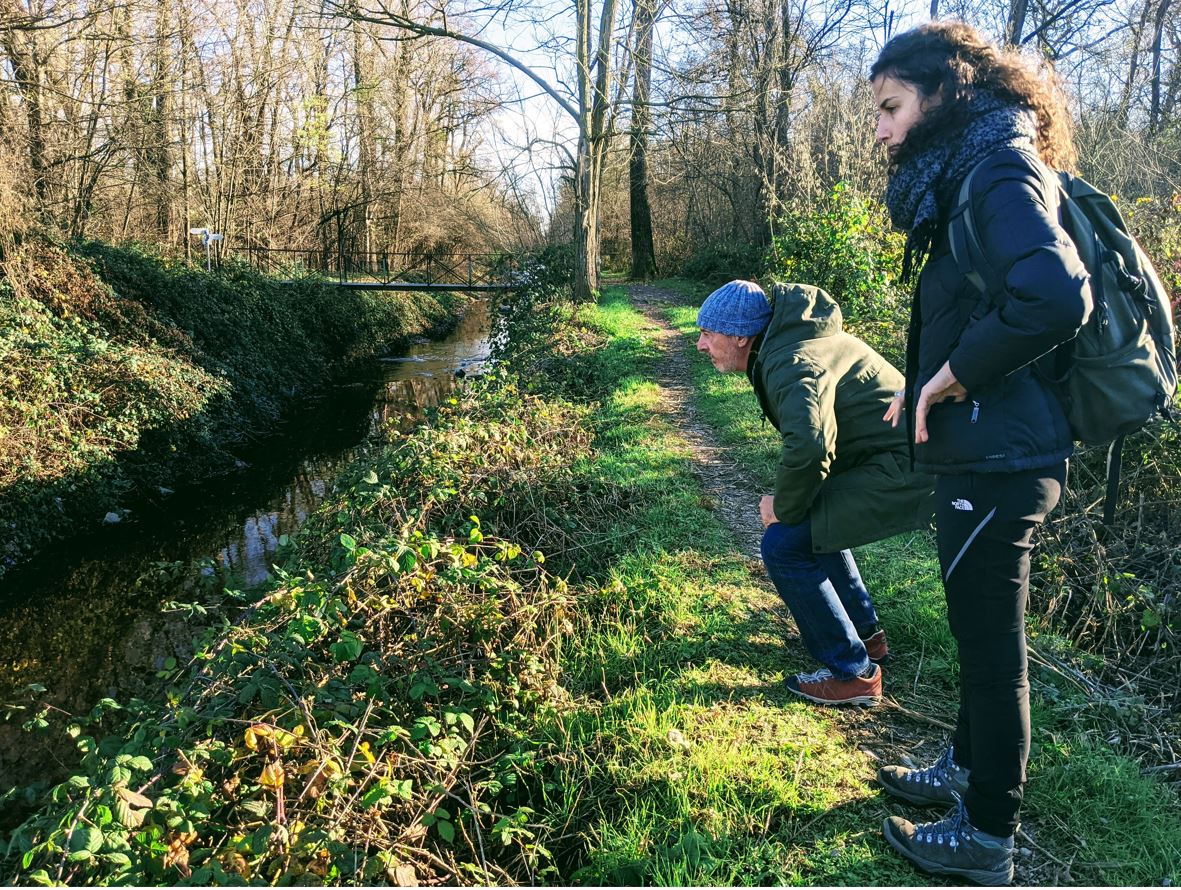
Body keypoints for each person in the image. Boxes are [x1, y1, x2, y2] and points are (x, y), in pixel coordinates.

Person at [870, 21, 1092, 886]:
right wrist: (922, 379)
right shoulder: (972, 169)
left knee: (992, 652)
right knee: (975, 638)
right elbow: (984, 298)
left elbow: (1051, 296)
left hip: (1002, 463)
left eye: (890, 108)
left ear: (942, 96)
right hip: (989, 449)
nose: (881, 129)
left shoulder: (996, 169)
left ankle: (987, 837)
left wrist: (953, 375)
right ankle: (963, 768)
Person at [695, 279, 934, 706]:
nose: (700, 344)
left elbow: (810, 446)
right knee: (813, 521)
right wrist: (794, 503)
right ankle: (864, 635)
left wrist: (781, 509)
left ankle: (852, 672)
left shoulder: (791, 360)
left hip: (908, 467)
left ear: (740, 336)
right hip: (896, 459)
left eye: (708, 334)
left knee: (784, 543)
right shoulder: (791, 344)